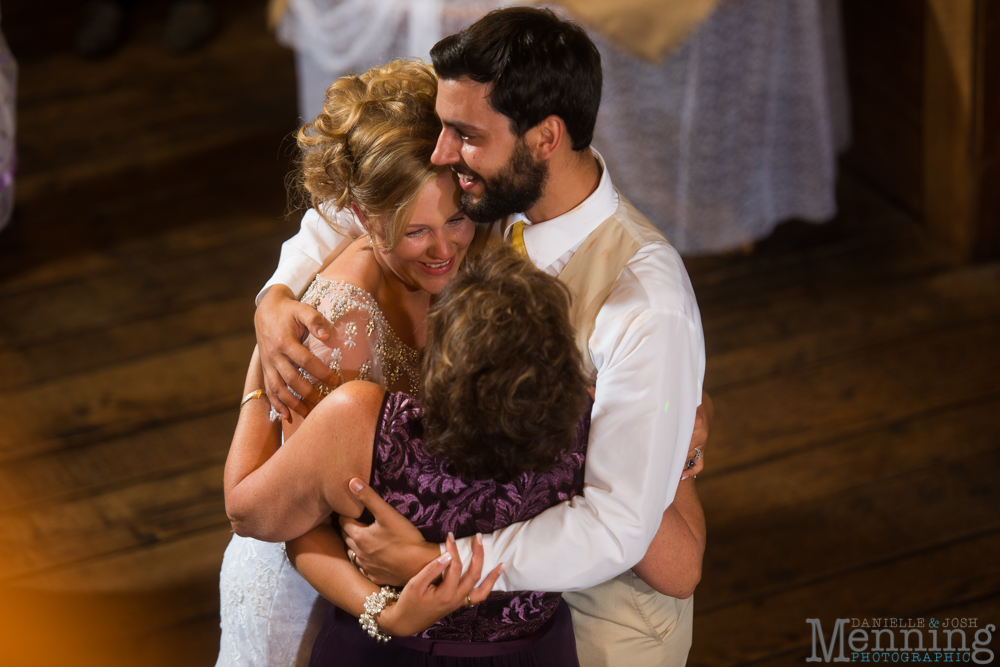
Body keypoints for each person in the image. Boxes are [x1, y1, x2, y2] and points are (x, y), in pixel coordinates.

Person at [254, 7, 710, 666]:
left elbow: (617, 525)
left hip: (599, 620)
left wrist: (443, 560)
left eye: (463, 134)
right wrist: (274, 297)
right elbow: (357, 203)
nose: (441, 152)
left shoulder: (645, 302)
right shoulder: (494, 196)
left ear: (545, 137)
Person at [227, 246, 611, 664]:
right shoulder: (598, 420)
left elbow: (252, 514)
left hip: (387, 653)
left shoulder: (364, 423)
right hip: (536, 653)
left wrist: (264, 356)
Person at [215, 59, 474, 667]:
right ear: (361, 219)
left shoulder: (464, 258)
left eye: (457, 219)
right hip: (313, 601)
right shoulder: (338, 327)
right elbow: (292, 518)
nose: (444, 250)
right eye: (416, 233)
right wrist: (381, 610)